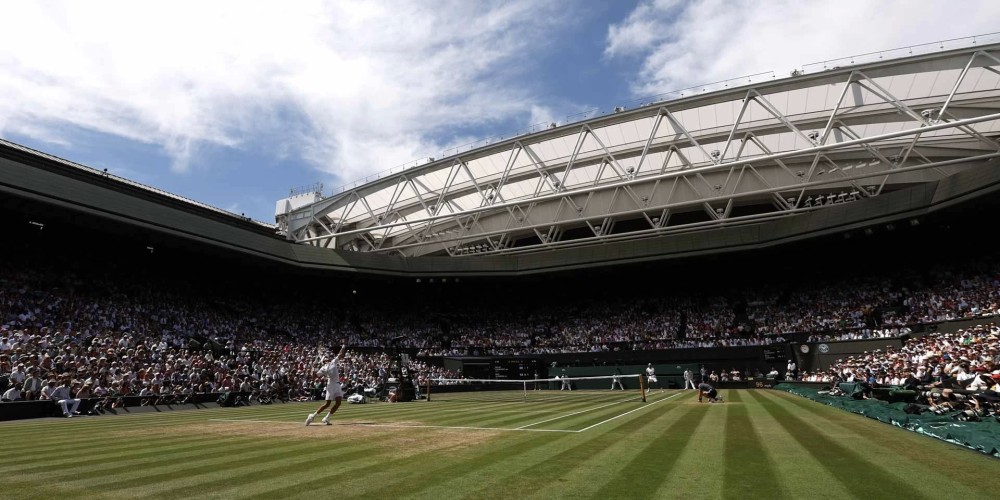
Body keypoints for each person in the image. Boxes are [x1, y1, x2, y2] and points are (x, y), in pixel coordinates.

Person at [305, 344, 347, 426]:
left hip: (337, 385)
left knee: (338, 402)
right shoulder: (322, 368)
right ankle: (312, 417)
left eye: (327, 358)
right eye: (325, 358)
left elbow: (340, 354)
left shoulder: (333, 362)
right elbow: (314, 377)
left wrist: (343, 347)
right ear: (323, 361)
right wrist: (313, 369)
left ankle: (327, 418)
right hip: (330, 385)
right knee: (327, 404)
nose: (327, 359)